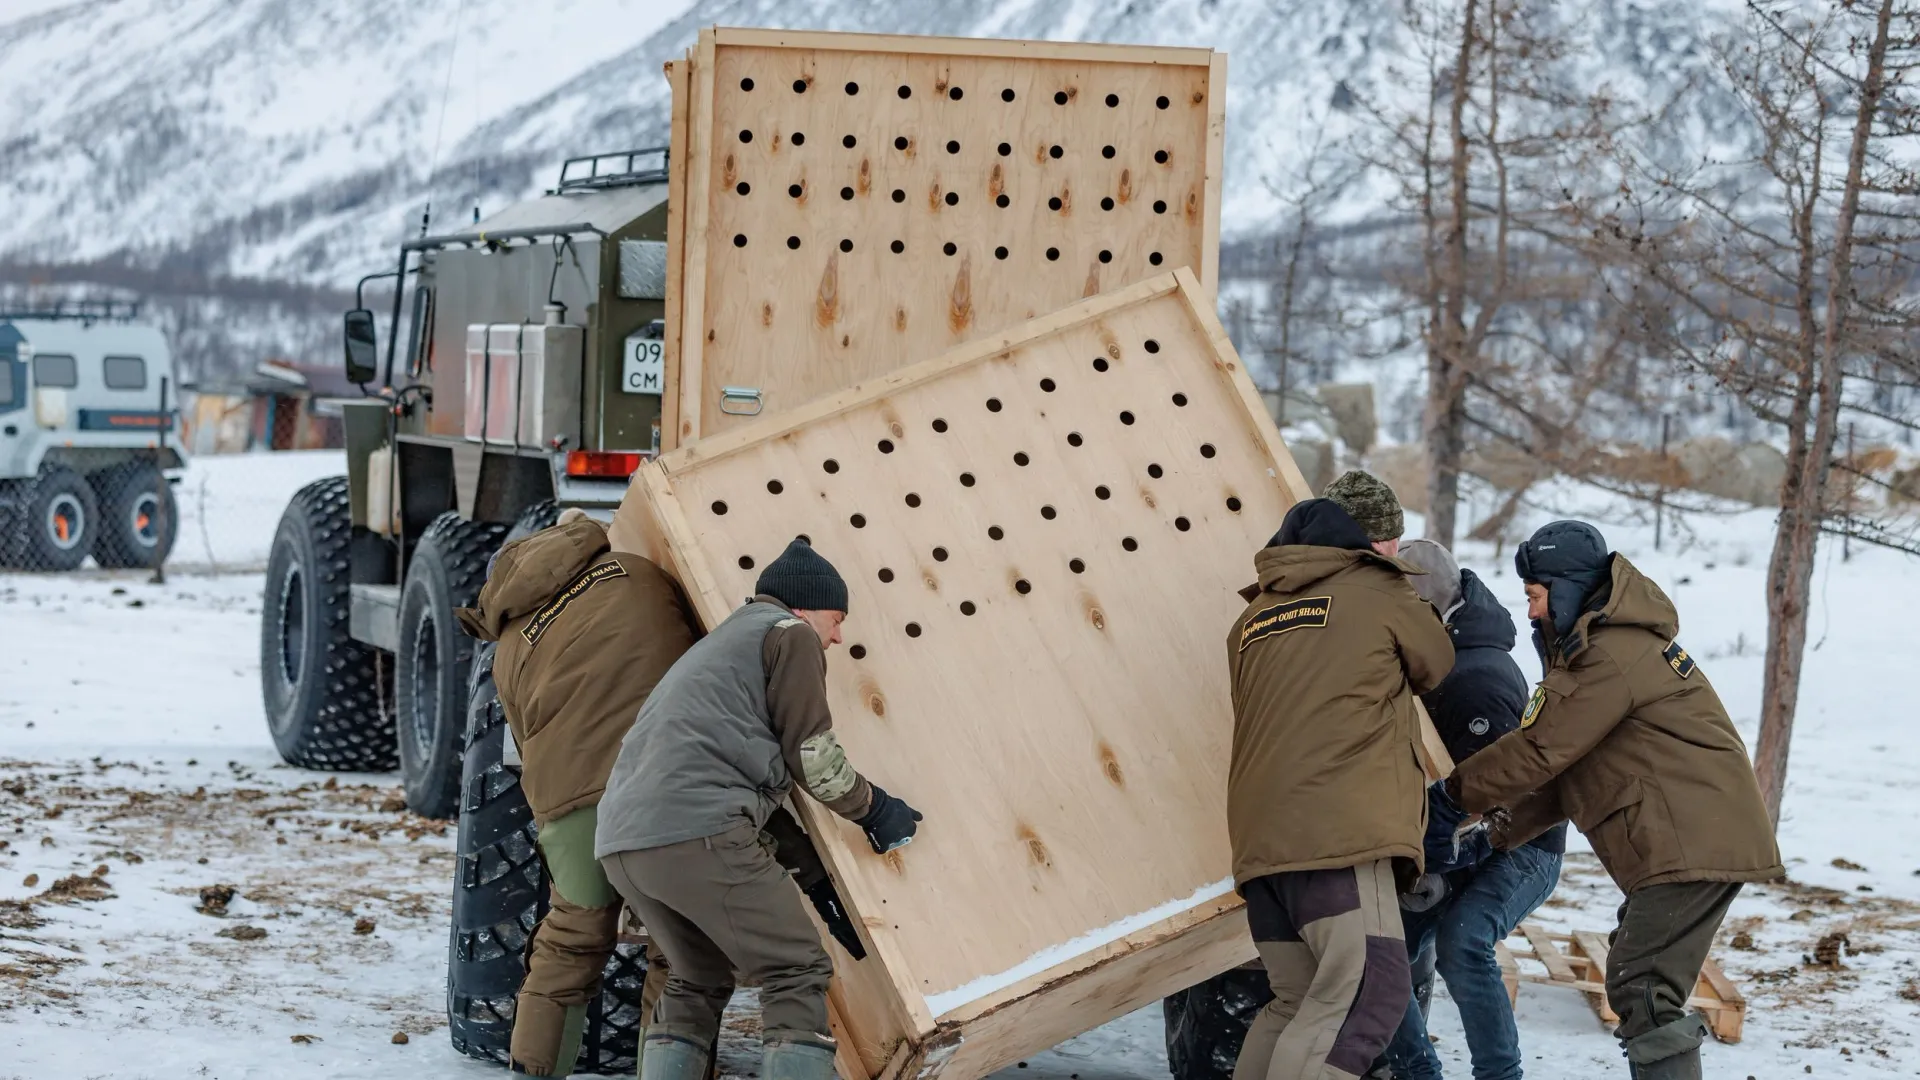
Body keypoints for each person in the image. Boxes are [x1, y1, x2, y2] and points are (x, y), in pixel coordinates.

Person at [1445, 521, 1782, 1080]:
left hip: (1691, 838)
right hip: (1686, 836)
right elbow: (1566, 774)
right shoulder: (1602, 649)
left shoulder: (1610, 654)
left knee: (1644, 988)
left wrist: (1449, 798)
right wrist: (1490, 833)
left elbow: (1541, 749)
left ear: (1569, 587)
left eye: (1535, 596)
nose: (1530, 612)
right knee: (1640, 979)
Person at [595, 538, 924, 1080]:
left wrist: (813, 875)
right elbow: (811, 759)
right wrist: (875, 810)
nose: (838, 635)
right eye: (836, 618)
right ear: (803, 607)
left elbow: (737, 776)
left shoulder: (723, 649)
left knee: (696, 975)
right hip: (696, 830)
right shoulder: (788, 636)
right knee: (796, 969)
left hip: (623, 843)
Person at [1227, 469, 1455, 1080]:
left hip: (1261, 844)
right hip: (1339, 835)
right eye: (1392, 540)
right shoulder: (1378, 592)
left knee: (1298, 1002)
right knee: (1366, 997)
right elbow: (1436, 660)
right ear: (1375, 541)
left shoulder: (1252, 617)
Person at [455, 508, 699, 1079]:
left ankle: (535, 1070)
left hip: (573, 802)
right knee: (682, 944)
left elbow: (525, 742)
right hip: (666, 784)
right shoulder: (637, 572)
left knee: (571, 937)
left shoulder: (511, 647)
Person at [1377, 539, 1567, 1080]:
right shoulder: (1437, 656)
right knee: (1378, 952)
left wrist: (1437, 862)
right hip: (1457, 835)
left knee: (1464, 942)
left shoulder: (1475, 679)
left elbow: (1510, 797)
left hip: (1522, 843)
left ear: (1426, 609)